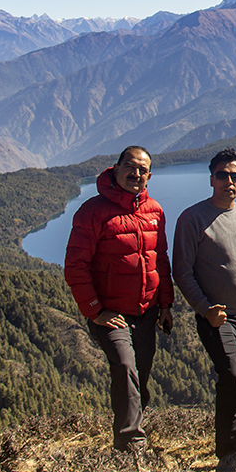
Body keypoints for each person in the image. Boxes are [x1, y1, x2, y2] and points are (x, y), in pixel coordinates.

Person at [64, 145, 174, 455]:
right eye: (130, 166)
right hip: (110, 313)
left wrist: (165, 304)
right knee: (126, 368)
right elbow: (75, 265)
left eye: (142, 170)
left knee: (140, 374)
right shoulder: (92, 211)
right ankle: (131, 446)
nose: (136, 173)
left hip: (148, 312)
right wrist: (95, 310)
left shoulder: (155, 211)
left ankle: (133, 430)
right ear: (116, 167)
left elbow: (159, 260)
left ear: (149, 176)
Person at [173, 148, 236, 472]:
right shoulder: (192, 218)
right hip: (216, 318)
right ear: (211, 178)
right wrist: (205, 309)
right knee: (232, 378)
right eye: (222, 175)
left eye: (235, 176)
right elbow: (182, 271)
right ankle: (228, 454)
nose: (228, 181)